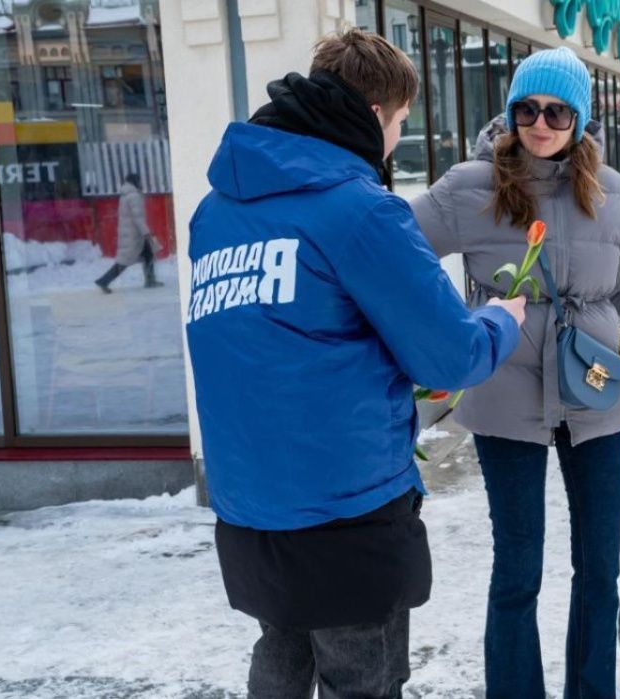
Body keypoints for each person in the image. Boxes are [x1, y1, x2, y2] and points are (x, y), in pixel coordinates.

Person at [184, 30, 525, 699]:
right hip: (346, 506)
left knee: (281, 655)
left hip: (250, 501)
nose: (395, 141)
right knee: (360, 678)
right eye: (400, 124)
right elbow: (450, 354)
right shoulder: (360, 211)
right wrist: (501, 320)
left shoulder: (215, 214)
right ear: (374, 115)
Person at [411, 47, 620, 699]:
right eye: (526, 109)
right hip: (506, 399)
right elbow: (396, 255)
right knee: (517, 570)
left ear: (578, 118)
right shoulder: (469, 188)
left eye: (556, 111)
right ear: (510, 113)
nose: (540, 123)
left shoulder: (610, 191)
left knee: (598, 569)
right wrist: (450, 329)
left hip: (597, 395)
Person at [95, 173, 162, 293]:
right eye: (139, 181)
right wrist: (146, 233)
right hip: (134, 235)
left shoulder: (126, 195)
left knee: (149, 253)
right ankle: (104, 281)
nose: (141, 183)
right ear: (135, 182)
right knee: (124, 261)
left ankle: (150, 280)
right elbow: (138, 217)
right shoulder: (134, 196)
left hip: (132, 233)